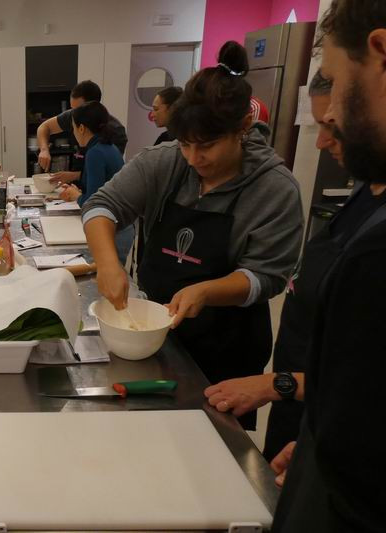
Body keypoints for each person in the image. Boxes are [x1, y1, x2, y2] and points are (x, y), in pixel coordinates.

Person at [82, 41, 303, 430]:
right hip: (153, 339)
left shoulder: (275, 189)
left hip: (227, 350)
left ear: (242, 128)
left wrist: (206, 291)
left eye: (207, 146)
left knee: (211, 447)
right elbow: (102, 206)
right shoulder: (165, 162)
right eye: (185, 144)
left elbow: (267, 275)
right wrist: (107, 263)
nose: (193, 158)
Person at [272, 2, 386, 530]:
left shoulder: (377, 254)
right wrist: (316, 443)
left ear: (381, 53)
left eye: (337, 82)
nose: (324, 133)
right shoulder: (371, 200)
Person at [203, 71, 343, 462]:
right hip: (303, 414)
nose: (321, 141)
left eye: (333, 126)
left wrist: (277, 385)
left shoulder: (276, 188)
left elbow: (366, 381)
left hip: (331, 424)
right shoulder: (366, 200)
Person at [36, 80, 128, 186]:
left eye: (77, 109)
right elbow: (44, 127)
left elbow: (106, 174)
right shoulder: (73, 116)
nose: (73, 116)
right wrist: (44, 150)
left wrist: (74, 176)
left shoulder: (114, 132)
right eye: (72, 109)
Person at [59, 102, 123, 207]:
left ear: (81, 128)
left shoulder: (95, 153)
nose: (74, 133)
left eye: (73, 128)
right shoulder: (110, 146)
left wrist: (76, 196)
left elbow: (92, 203)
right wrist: (76, 192)